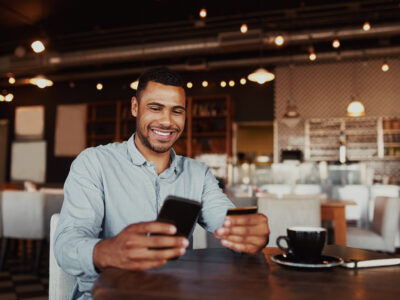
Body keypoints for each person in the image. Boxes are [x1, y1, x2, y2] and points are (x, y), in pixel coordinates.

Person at [54, 67, 270, 300]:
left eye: (177, 111)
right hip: (107, 295)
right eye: (155, 108)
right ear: (135, 107)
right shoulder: (94, 162)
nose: (167, 121)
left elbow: (227, 220)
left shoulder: (198, 173)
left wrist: (248, 232)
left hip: (175, 294)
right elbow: (67, 245)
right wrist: (106, 252)